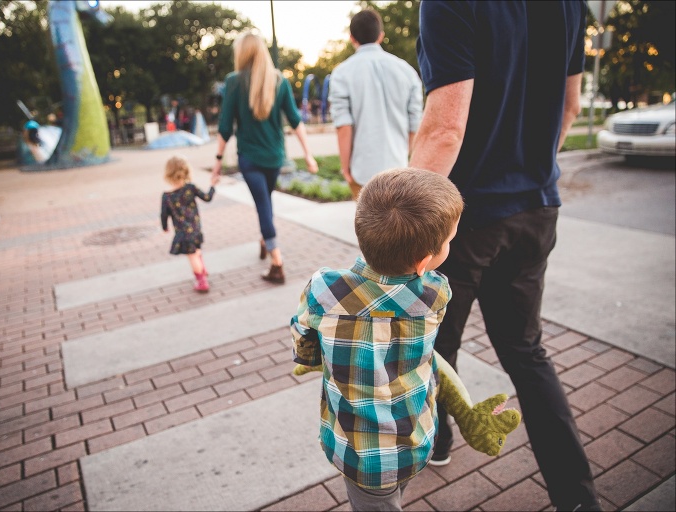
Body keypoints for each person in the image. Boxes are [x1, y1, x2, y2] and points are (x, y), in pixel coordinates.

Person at [409, 2, 601, 511]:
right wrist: (533, 171)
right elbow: (570, 105)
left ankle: (440, 441)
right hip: (536, 206)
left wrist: (405, 231)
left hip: (465, 215)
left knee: (433, 346)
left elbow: (444, 129)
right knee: (526, 351)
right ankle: (577, 498)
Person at [291, 169, 464, 511]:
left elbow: (302, 337)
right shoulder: (435, 294)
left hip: (360, 453)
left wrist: (311, 359)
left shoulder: (324, 290)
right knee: (394, 494)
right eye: (450, 240)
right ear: (425, 261)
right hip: (415, 436)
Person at [212, 31, 318, 285]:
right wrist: (308, 154)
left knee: (263, 204)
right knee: (264, 201)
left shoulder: (234, 82)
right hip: (274, 158)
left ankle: (277, 264)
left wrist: (217, 162)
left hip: (250, 158)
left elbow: (225, 126)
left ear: (243, 53)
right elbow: (295, 121)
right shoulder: (279, 81)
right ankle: (265, 240)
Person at [328, 8, 423, 200]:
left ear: (352, 38)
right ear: (381, 36)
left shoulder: (342, 74)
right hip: (400, 168)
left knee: (367, 227)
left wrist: (345, 167)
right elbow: (415, 124)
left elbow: (344, 127)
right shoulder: (407, 71)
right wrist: (406, 156)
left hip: (363, 169)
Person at [161, 155, 219, 293]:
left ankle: (201, 281)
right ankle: (203, 269)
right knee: (196, 250)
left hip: (183, 233)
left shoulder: (167, 197)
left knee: (192, 256)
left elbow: (164, 214)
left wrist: (165, 227)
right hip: (196, 228)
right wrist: (212, 185)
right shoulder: (191, 188)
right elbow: (207, 198)